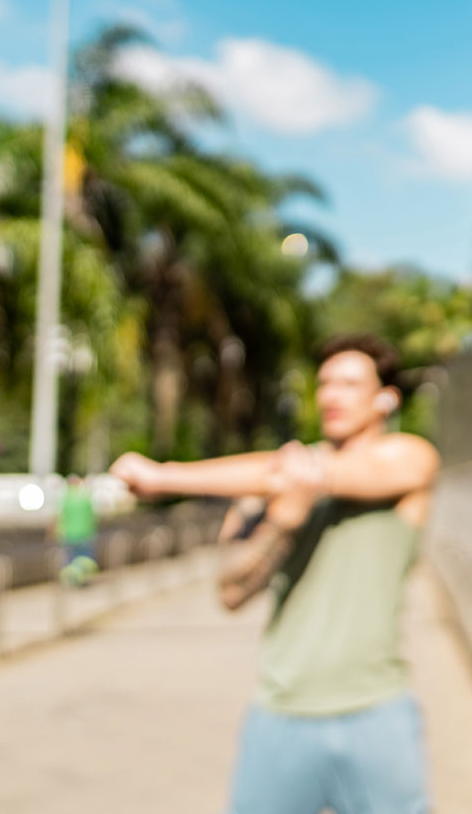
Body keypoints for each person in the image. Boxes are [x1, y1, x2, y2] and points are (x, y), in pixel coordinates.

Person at [109, 333, 440, 814]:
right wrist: (282, 522)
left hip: (377, 710)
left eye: (349, 383)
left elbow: (303, 473)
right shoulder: (269, 478)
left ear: (386, 397)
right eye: (324, 383)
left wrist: (164, 477)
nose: (330, 395)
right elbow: (231, 593)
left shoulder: (410, 457)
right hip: (282, 710)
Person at [52, 474, 98, 586]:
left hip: (68, 534)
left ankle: (69, 582)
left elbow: (59, 516)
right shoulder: (86, 497)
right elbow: (93, 516)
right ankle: (81, 580)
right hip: (85, 534)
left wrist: (55, 531)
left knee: (69, 561)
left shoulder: (65, 497)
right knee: (83, 560)